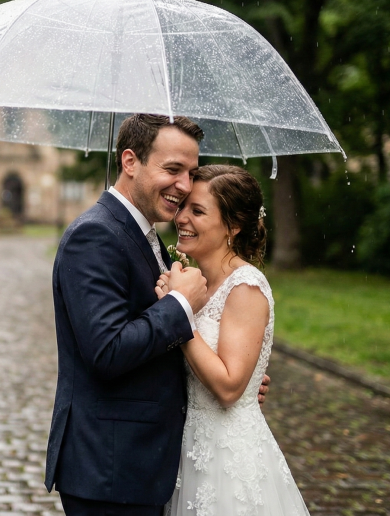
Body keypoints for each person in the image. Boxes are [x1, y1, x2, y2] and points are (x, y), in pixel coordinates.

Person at [45, 115, 269, 516]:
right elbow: (108, 351)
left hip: (148, 466)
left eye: (191, 172)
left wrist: (237, 378)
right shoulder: (95, 236)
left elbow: (155, 341)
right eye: (172, 169)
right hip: (111, 469)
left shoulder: (146, 236)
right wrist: (180, 305)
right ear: (130, 162)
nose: (183, 185)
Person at [158, 164, 310, 516]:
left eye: (197, 211)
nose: (181, 217)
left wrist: (177, 314)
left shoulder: (246, 287)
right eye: (183, 206)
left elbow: (228, 389)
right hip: (185, 450)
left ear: (233, 226)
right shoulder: (193, 281)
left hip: (228, 458)